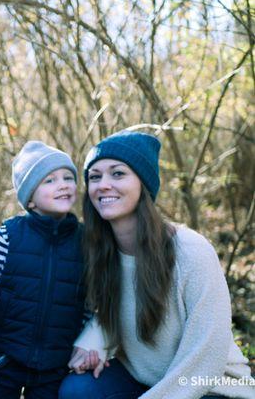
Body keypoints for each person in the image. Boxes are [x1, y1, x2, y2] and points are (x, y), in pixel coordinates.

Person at [59, 131, 254, 399]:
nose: (103, 185)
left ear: (144, 184)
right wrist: (94, 339)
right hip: (147, 380)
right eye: (95, 177)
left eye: (117, 174)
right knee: (76, 391)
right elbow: (115, 307)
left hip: (214, 386)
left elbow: (207, 354)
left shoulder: (190, 251)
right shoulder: (102, 251)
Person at [0, 141, 87, 398]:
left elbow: (90, 302)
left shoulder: (85, 241)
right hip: (6, 356)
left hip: (55, 362)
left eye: (67, 178)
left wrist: (81, 345)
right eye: (49, 180)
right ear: (31, 200)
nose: (62, 184)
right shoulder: (10, 234)